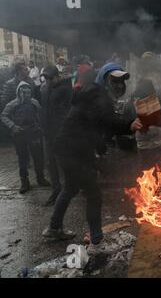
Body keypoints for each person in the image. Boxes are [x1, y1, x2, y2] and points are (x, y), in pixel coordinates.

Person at [42, 64, 143, 249]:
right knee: (93, 195)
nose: (119, 85)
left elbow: (93, 124)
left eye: (122, 81)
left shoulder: (93, 93)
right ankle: (97, 241)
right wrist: (129, 125)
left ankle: (54, 228)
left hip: (68, 148)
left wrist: (100, 145)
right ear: (104, 80)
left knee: (71, 188)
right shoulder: (100, 96)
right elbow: (108, 121)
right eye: (115, 81)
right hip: (74, 150)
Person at [1, 81, 50, 193]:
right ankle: (24, 182)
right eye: (23, 92)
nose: (25, 95)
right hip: (20, 133)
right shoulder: (13, 104)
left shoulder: (34, 102)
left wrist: (39, 126)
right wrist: (13, 126)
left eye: (28, 92)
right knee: (22, 158)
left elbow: (40, 114)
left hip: (33, 132)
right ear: (18, 92)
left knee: (38, 157)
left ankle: (40, 178)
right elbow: (4, 115)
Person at [40, 65, 73, 205]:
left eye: (50, 78)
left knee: (63, 162)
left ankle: (69, 188)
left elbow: (70, 110)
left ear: (57, 76)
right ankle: (56, 189)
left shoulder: (66, 89)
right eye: (46, 78)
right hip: (48, 132)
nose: (48, 81)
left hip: (61, 132)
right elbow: (44, 109)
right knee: (50, 162)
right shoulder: (45, 89)